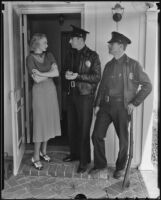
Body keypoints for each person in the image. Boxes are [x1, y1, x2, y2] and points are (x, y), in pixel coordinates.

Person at [89, 31, 152, 178]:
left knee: (123, 141)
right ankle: (101, 166)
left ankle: (120, 168)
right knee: (96, 135)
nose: (109, 45)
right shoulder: (109, 65)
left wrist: (134, 103)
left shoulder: (134, 65)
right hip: (106, 106)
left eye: (112, 44)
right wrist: (97, 104)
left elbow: (147, 85)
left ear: (121, 46)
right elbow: (102, 86)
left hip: (123, 108)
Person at [63, 25, 101, 173]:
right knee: (71, 126)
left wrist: (78, 76)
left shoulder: (92, 56)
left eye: (72, 39)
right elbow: (64, 69)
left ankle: (84, 161)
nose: (70, 41)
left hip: (85, 96)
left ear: (79, 39)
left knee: (84, 128)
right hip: (71, 94)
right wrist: (66, 74)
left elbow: (97, 77)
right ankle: (74, 154)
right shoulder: (70, 54)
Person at [26, 33, 61, 170]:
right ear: (36, 44)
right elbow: (36, 80)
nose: (47, 45)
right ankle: (35, 156)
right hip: (39, 93)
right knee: (40, 123)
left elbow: (56, 73)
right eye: (44, 42)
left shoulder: (50, 55)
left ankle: (43, 152)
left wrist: (41, 73)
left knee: (48, 121)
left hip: (50, 92)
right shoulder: (30, 58)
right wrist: (47, 74)